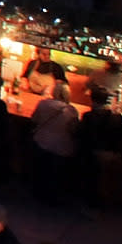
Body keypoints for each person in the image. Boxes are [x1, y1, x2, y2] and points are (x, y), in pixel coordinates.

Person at [28, 78, 81, 207]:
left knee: (41, 170)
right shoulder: (72, 111)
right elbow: (74, 131)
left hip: (41, 143)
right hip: (62, 149)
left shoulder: (43, 104)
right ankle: (54, 197)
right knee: (57, 174)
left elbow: (34, 120)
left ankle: (38, 192)